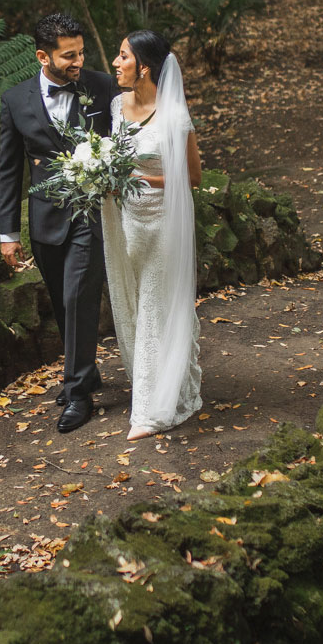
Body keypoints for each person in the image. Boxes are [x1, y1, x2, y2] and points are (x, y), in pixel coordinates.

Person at [0, 13, 121, 433]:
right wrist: (8, 233)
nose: (78, 61)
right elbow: (9, 171)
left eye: (81, 52)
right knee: (63, 301)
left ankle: (78, 392)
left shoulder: (101, 86)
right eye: (69, 55)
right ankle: (86, 373)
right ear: (42, 56)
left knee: (79, 297)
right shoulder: (15, 101)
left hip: (91, 214)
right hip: (45, 220)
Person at [102, 30, 203, 441]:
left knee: (155, 303)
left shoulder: (175, 114)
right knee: (137, 301)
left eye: (122, 55)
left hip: (164, 222)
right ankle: (172, 378)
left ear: (143, 67)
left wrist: (142, 177)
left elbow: (192, 176)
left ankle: (150, 409)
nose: (114, 62)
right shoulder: (115, 105)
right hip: (127, 221)